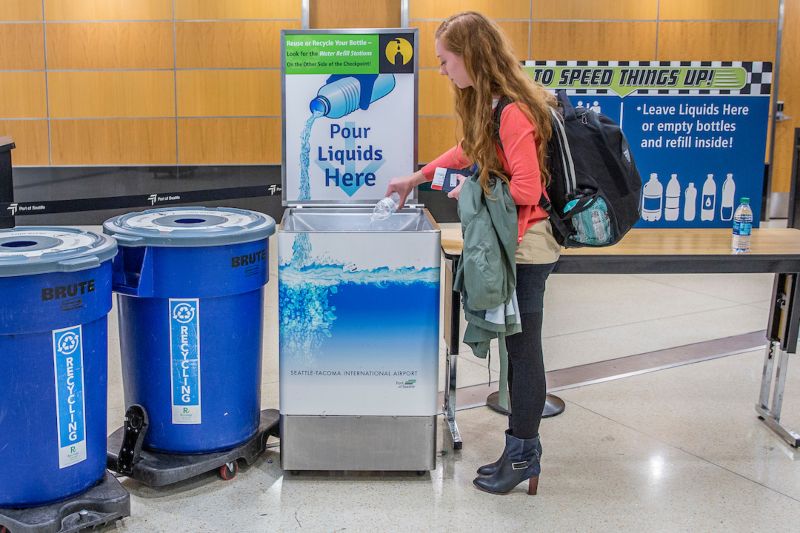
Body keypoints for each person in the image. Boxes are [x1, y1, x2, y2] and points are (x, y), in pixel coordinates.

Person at [386, 11, 561, 495]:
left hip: (527, 246)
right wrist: (416, 178)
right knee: (514, 350)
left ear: (471, 56)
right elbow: (468, 149)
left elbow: (526, 188)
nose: (443, 70)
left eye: (446, 60)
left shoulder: (514, 112)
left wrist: (473, 187)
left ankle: (525, 454)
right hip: (512, 243)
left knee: (523, 354)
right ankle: (517, 450)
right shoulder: (492, 107)